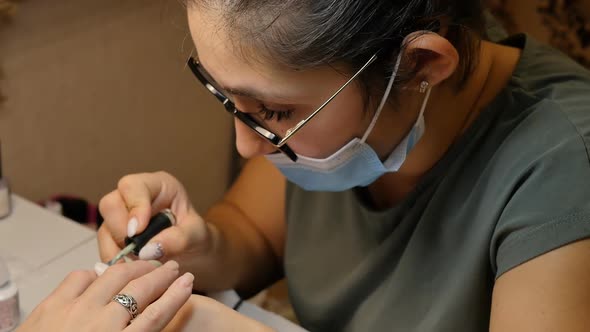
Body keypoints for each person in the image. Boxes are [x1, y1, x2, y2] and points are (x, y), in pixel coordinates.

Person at [20, 0, 590, 330]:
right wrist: (197, 249)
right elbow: (250, 236)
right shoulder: (334, 123)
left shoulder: (566, 166)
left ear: (418, 65)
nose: (246, 144)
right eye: (226, 98)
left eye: (270, 109)